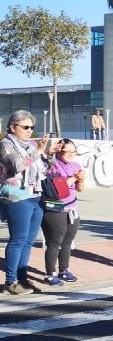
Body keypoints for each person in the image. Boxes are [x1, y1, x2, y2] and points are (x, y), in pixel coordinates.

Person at [0, 111, 51, 295]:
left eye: (32, 127)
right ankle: (11, 281)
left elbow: (42, 168)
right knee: (18, 239)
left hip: (35, 194)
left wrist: (46, 154)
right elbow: (17, 166)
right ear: (13, 127)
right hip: (16, 194)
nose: (30, 131)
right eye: (26, 127)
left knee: (28, 241)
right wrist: (37, 151)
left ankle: (22, 279)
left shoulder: (30, 145)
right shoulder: (5, 145)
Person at [41, 139, 85, 286]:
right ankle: (50, 274)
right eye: (68, 151)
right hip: (55, 208)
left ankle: (64, 270)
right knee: (54, 242)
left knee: (67, 242)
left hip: (72, 208)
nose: (71, 154)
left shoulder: (76, 166)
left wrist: (81, 180)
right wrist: (74, 178)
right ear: (59, 151)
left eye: (74, 152)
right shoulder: (53, 166)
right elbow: (58, 189)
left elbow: (80, 189)